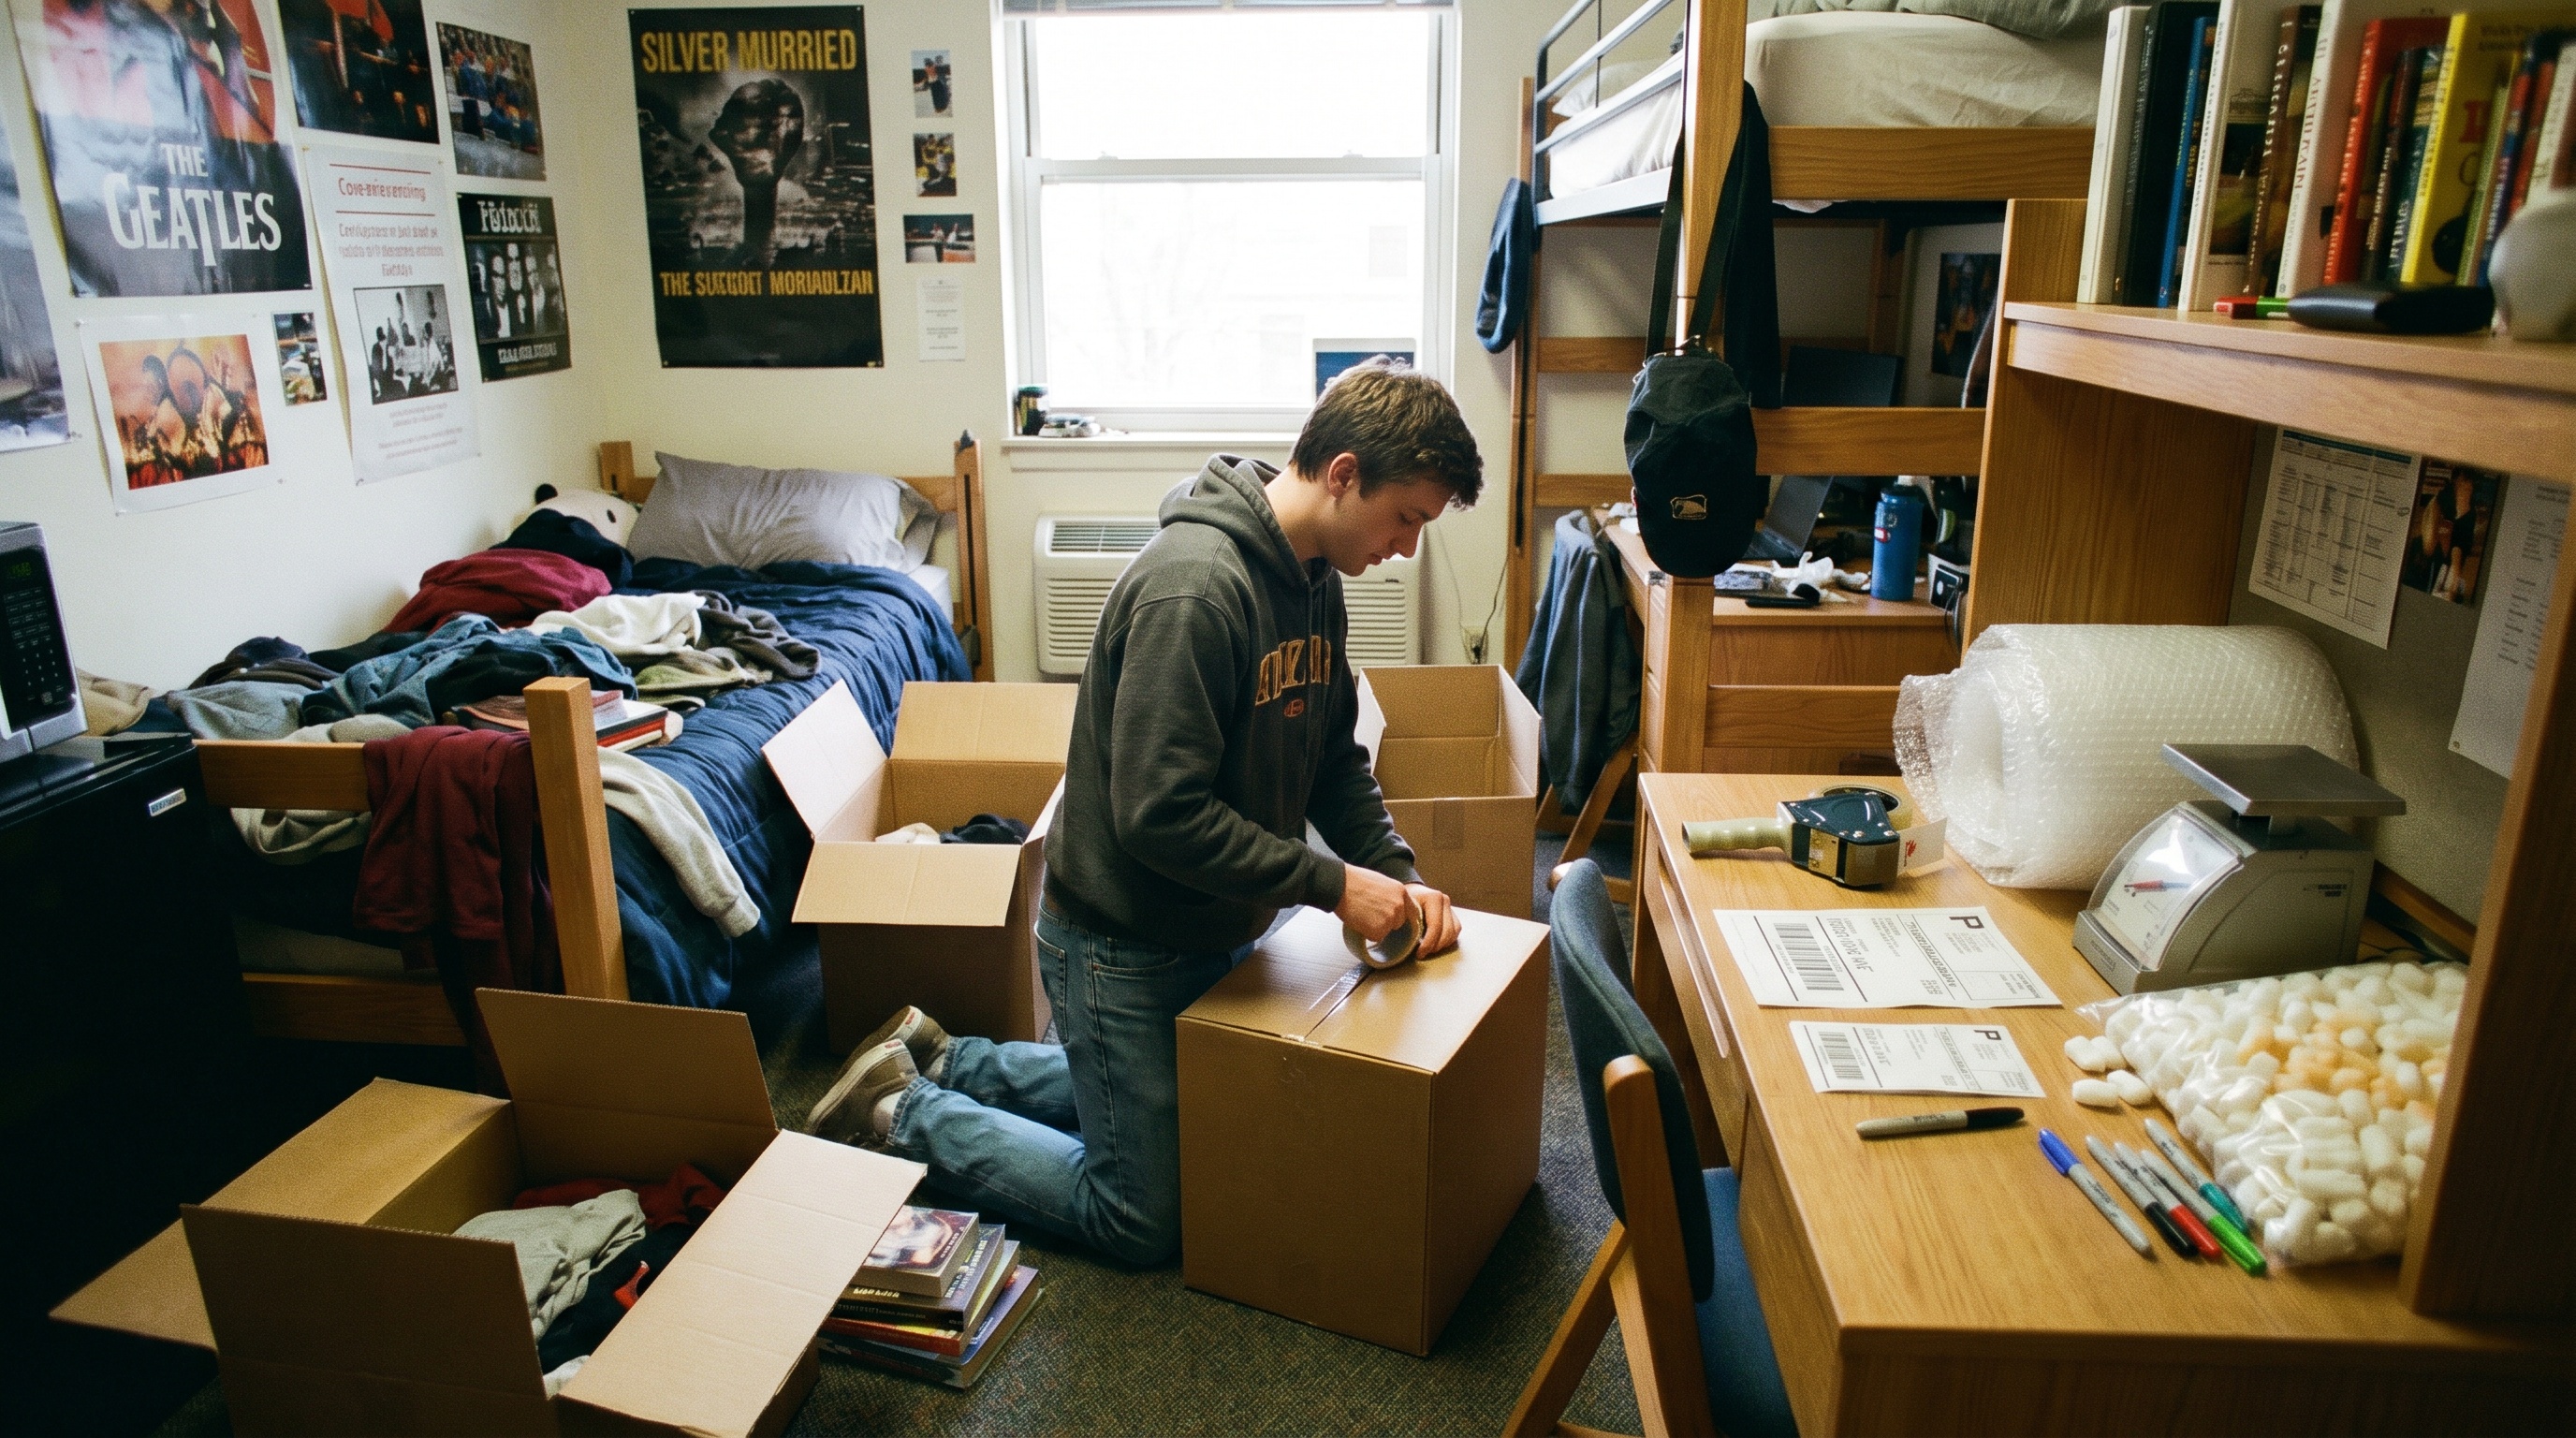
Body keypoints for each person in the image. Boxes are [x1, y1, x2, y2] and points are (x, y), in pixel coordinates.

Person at [807, 361, 1484, 1267]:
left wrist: (1395, 870)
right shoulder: (1196, 591)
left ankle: (949, 1057)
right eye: (1408, 518)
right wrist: (1330, 886)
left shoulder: (1316, 581)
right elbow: (1159, 817)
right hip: (1119, 941)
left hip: (1212, 923)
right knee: (1143, 1217)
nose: (1407, 548)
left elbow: (1331, 759)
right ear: (1345, 473)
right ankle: (899, 1107)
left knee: (1197, 1108)